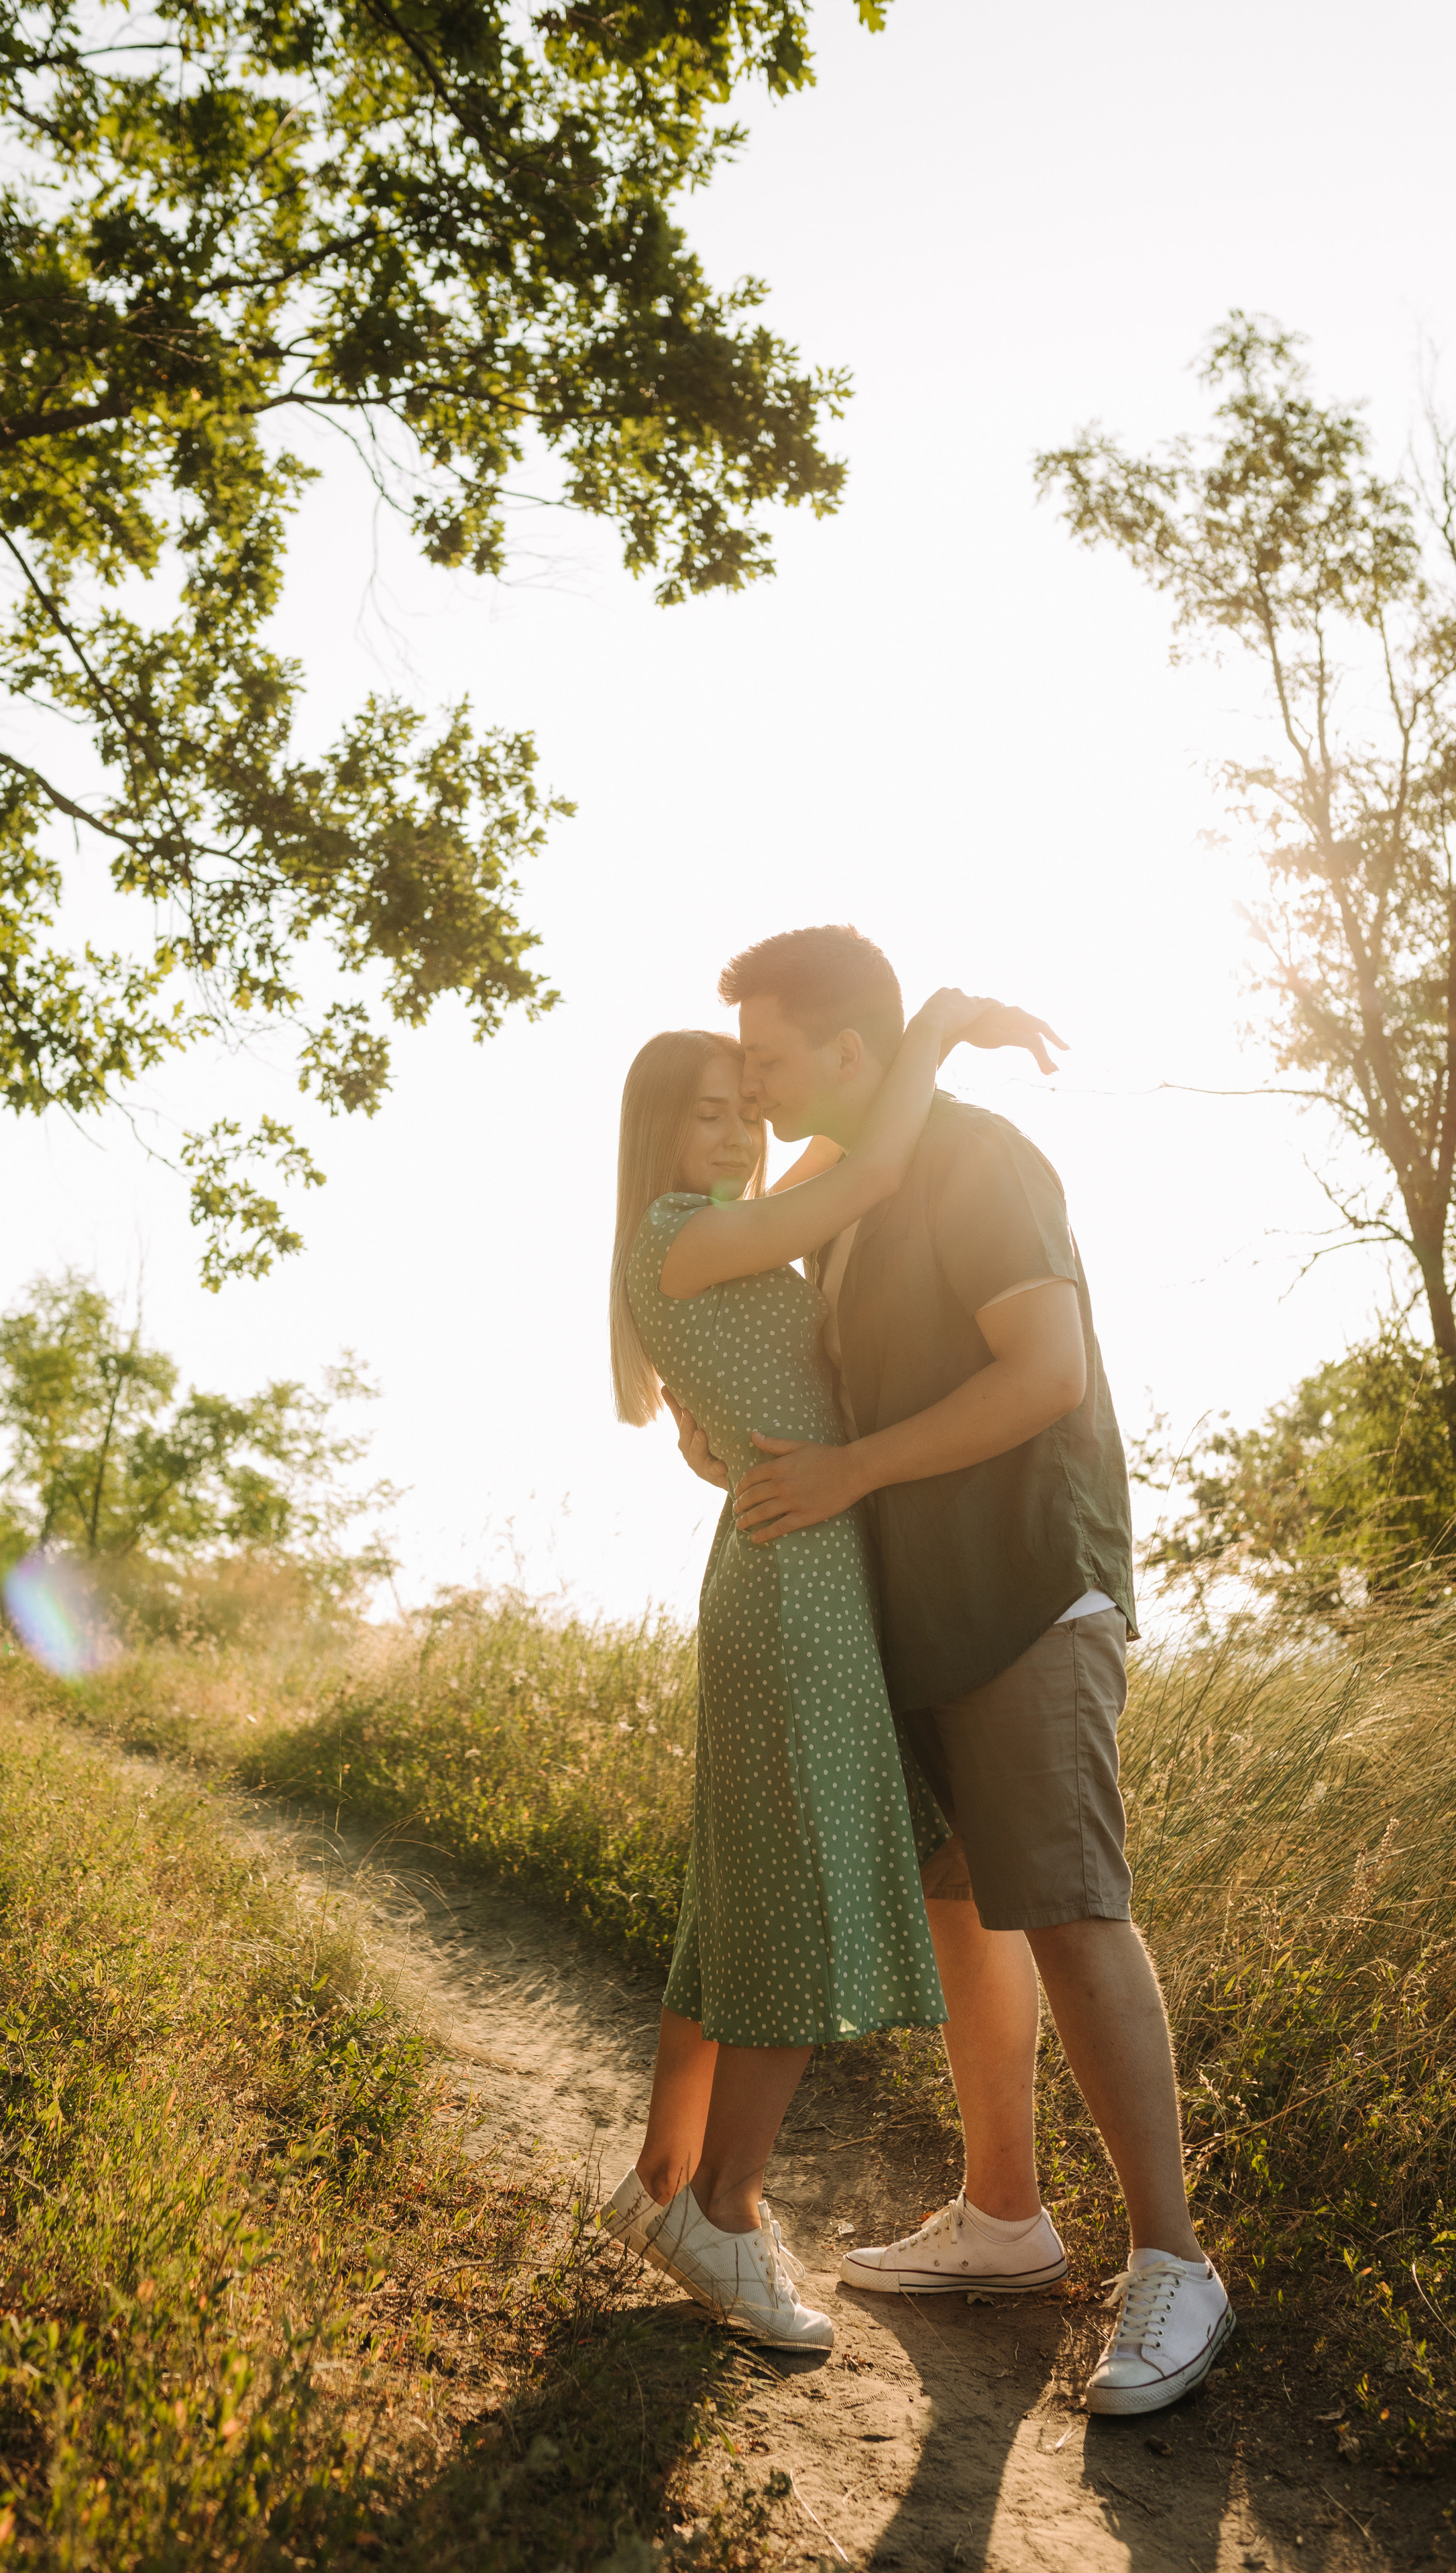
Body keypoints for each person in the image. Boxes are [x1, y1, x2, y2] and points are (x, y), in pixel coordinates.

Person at [669, 923, 1231, 2417]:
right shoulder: (840, 1193)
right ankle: (1001, 2219)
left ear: (850, 1050)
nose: (760, 1086)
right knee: (969, 1908)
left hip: (1031, 1591)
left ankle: (1172, 2264)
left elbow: (1041, 1374)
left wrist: (848, 1466)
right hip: (908, 1613)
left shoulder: (974, 1158)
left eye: (775, 1058)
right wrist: (714, 1421)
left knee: (1065, 1903)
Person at [598, 985, 1060, 2352]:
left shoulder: (708, 1227)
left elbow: (823, 1166)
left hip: (798, 1572)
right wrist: (932, 1034)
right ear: (653, 1134)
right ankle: (725, 2214)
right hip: (790, 1587)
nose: (742, 1131)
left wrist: (846, 1083)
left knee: (737, 1900)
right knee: (794, 1899)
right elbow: (863, 1169)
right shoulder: (682, 1236)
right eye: (710, 1112)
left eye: (750, 1104)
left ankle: (662, 2183)